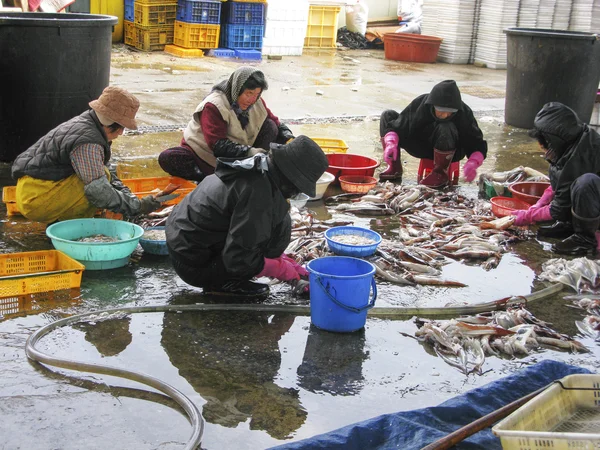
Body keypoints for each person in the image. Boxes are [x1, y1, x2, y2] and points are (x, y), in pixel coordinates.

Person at [165, 135, 328, 297]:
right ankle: (221, 284)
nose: (296, 192)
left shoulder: (259, 167)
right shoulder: (258, 194)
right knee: (247, 258)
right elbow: (238, 259)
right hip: (193, 263)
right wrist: (278, 269)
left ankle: (241, 266)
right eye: (297, 187)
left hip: (183, 241)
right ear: (289, 179)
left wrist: (281, 259)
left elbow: (251, 230)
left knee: (277, 221)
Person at [11, 86, 163, 224]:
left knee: (103, 175)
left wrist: (132, 201)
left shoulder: (89, 123)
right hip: (35, 199)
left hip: (34, 190)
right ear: (110, 122)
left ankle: (63, 221)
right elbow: (99, 192)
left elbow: (109, 173)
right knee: (97, 185)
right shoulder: (88, 143)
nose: (121, 132)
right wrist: (138, 206)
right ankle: (70, 227)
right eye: (120, 127)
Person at [158, 66, 295, 183]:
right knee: (169, 158)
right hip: (206, 156)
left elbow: (275, 121)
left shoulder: (256, 101)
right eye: (249, 93)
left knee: (270, 126)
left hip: (239, 155)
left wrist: (289, 138)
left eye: (257, 94)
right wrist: (250, 152)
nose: (252, 99)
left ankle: (252, 169)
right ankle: (210, 178)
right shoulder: (214, 105)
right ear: (237, 89)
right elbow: (218, 146)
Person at [512, 102, 600, 256]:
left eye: (543, 142)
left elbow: (559, 208)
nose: (541, 146)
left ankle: (586, 239)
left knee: (585, 183)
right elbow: (560, 185)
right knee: (580, 186)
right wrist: (538, 204)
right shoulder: (572, 144)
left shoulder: (583, 154)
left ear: (554, 139)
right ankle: (570, 226)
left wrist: (528, 216)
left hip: (594, 200)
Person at [379, 79, 488, 188]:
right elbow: (400, 124)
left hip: (449, 151)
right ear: (432, 105)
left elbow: (476, 142)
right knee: (387, 115)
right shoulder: (421, 104)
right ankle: (394, 167)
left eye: (450, 112)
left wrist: (473, 162)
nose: (445, 115)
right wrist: (390, 143)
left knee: (445, 126)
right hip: (421, 145)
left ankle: (440, 174)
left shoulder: (464, 112)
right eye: (441, 111)